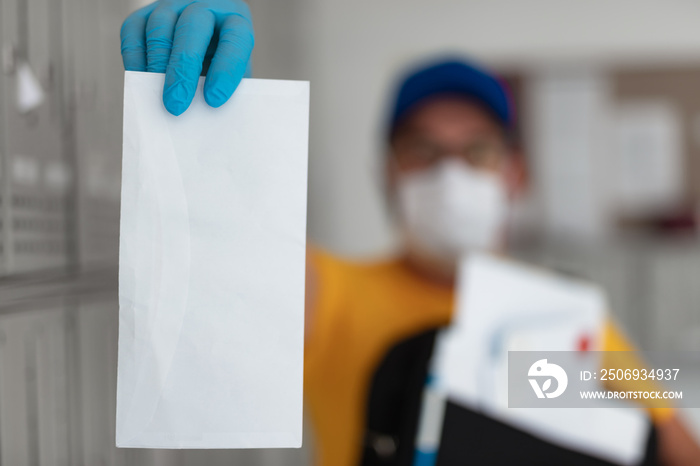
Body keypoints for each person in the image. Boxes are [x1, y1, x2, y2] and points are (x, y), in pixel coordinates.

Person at [121, 2, 700, 465]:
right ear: (389, 174)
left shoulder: (565, 320)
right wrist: (202, 134)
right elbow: (235, 263)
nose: (450, 172)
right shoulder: (337, 295)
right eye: (422, 150)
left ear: (514, 174)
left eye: (477, 150)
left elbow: (673, 445)